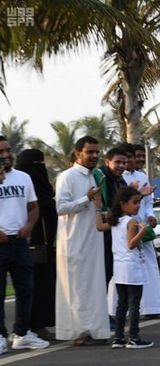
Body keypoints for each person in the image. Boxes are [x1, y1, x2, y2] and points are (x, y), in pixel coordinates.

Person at [56, 135, 111, 345]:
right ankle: (79, 332)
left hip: (93, 240)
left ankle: (95, 330)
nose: (94, 156)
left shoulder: (95, 176)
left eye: (97, 152)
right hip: (74, 241)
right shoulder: (67, 177)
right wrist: (86, 198)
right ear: (78, 153)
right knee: (78, 288)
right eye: (90, 152)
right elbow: (61, 208)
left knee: (94, 286)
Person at [0, 136, 48, 353]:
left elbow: (34, 206)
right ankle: (0, 336)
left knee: (26, 289)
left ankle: (21, 333)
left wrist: (29, 227)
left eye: (8, 150)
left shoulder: (23, 177)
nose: (6, 155)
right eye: (1, 152)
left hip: (19, 242)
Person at [94, 187, 153, 349]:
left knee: (122, 303)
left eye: (139, 202)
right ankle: (134, 337)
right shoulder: (131, 222)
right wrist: (143, 231)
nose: (138, 206)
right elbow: (131, 244)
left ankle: (118, 337)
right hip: (132, 266)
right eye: (135, 202)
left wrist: (97, 208)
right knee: (134, 304)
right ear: (123, 204)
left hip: (119, 267)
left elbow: (99, 227)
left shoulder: (115, 221)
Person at [14, 148, 57, 340]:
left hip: (45, 245)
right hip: (29, 242)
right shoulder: (22, 186)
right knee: (30, 286)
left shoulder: (42, 188)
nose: (41, 169)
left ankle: (39, 325)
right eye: (37, 165)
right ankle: (28, 327)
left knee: (43, 285)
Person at [123, 143, 160, 319]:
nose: (138, 160)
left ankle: (152, 307)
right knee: (127, 269)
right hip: (126, 227)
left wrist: (151, 216)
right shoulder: (119, 177)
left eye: (140, 156)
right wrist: (139, 193)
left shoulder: (142, 176)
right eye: (135, 156)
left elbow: (147, 204)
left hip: (143, 228)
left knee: (150, 266)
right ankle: (123, 310)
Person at [95, 146, 128, 285]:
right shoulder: (99, 177)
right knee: (104, 273)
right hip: (102, 234)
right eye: (118, 162)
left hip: (116, 233)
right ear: (107, 162)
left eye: (124, 163)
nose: (122, 166)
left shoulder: (121, 180)